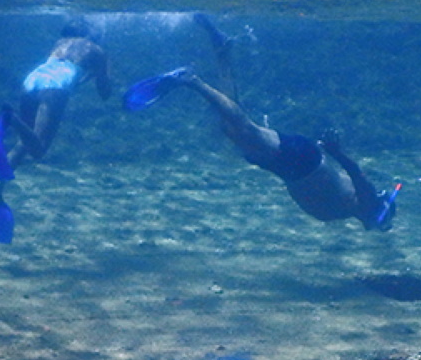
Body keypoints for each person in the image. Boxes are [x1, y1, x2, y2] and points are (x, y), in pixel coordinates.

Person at [122, 15, 399, 231]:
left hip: (289, 167)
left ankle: (222, 50)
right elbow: (354, 171)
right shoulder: (367, 199)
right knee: (243, 128)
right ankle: (190, 80)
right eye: (374, 220)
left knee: (231, 127)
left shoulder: (344, 211)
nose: (368, 223)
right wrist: (335, 151)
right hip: (303, 160)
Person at [0, 17, 114, 243]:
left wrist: (87, 76)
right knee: (39, 149)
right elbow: (104, 93)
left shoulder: (62, 42)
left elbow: (66, 67)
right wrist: (102, 75)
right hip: (56, 85)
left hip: (33, 79)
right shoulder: (97, 50)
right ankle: (11, 119)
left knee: (25, 142)